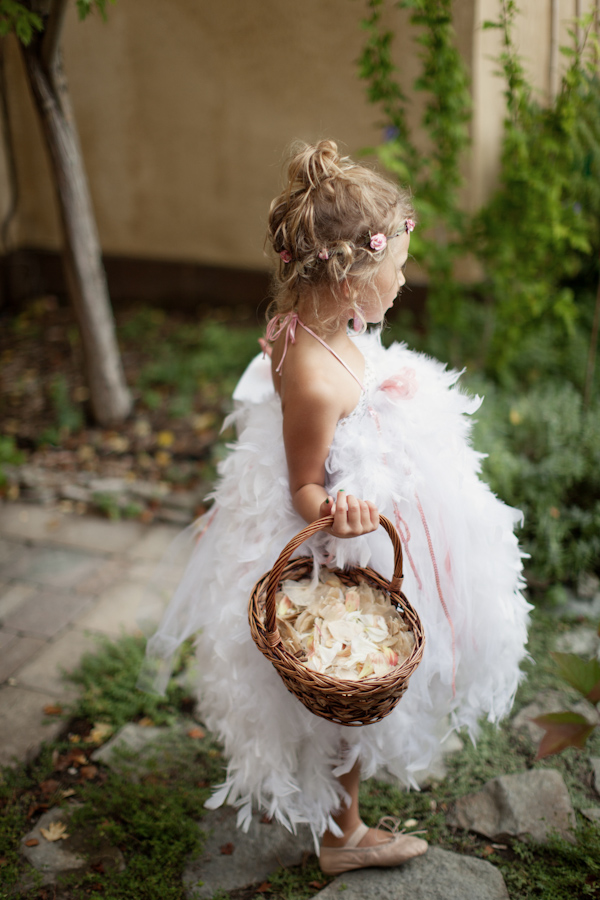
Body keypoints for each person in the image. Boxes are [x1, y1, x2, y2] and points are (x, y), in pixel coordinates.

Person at [139, 140, 530, 874]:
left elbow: (297, 373)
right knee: (343, 680)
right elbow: (303, 488)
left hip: (347, 469)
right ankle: (343, 834)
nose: (406, 277)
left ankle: (341, 817)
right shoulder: (316, 379)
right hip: (325, 547)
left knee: (348, 688)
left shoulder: (303, 326)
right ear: (351, 282)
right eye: (398, 266)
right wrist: (340, 509)